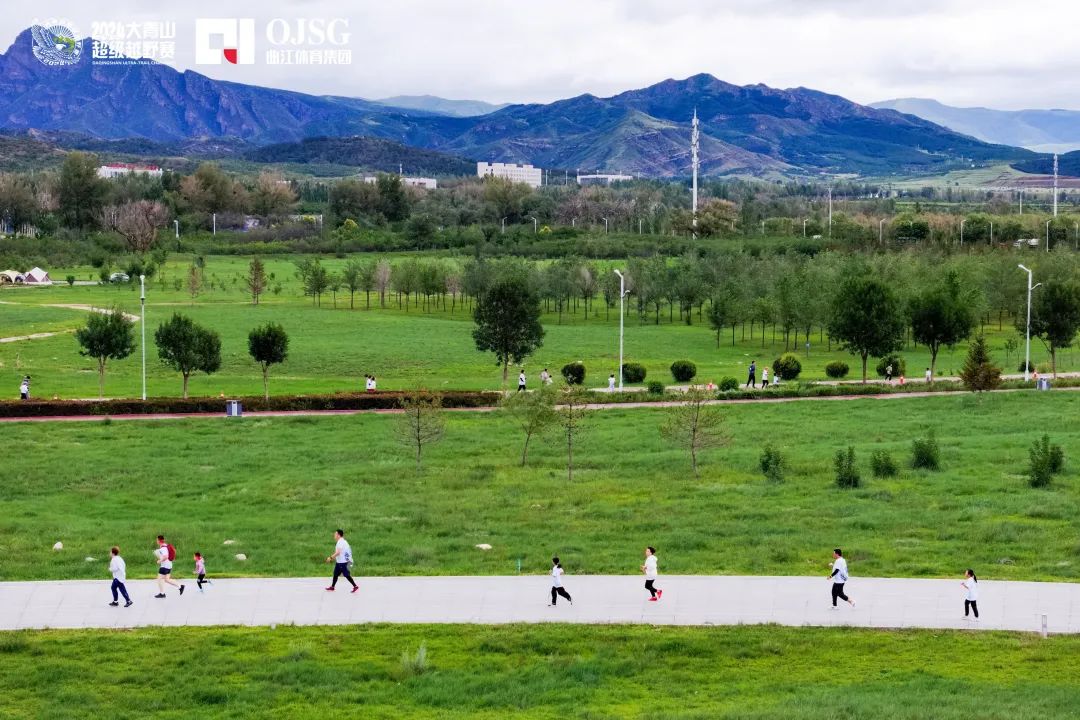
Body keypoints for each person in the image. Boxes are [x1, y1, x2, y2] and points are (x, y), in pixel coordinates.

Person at [325, 529, 358, 593]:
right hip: (339, 562)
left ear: (338, 535)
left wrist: (330, 558)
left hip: (342, 563)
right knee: (335, 574)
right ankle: (332, 587)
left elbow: (338, 552)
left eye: (335, 534)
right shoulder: (343, 541)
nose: (334, 535)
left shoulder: (340, 542)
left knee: (346, 575)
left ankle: (355, 586)